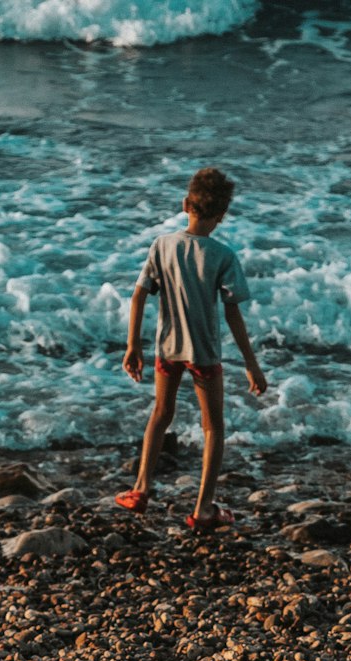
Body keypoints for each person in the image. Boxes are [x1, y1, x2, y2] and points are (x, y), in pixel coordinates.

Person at [116, 167, 267, 531]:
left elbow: (138, 295)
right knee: (213, 428)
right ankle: (203, 509)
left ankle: (140, 488)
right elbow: (233, 315)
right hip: (204, 355)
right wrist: (251, 364)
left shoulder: (162, 245)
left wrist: (133, 345)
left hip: (167, 350)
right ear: (221, 216)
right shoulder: (222, 256)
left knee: (160, 413)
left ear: (186, 204)